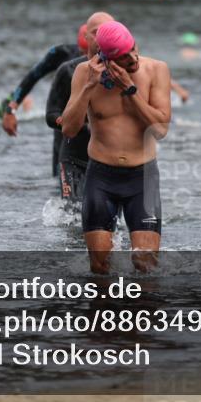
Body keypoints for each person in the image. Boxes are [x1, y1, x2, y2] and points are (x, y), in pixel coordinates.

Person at [61, 21, 172, 274]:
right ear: (107, 59)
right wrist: (89, 86)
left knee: (145, 264)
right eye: (124, 57)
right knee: (100, 266)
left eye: (134, 49)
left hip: (142, 178)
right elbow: (68, 129)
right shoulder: (83, 73)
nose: (133, 58)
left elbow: (160, 130)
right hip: (101, 178)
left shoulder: (157, 69)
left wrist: (129, 90)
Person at [45, 13, 114, 210]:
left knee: (108, 218)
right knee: (73, 216)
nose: (101, 37)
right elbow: (50, 114)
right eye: (96, 32)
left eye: (107, 32)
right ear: (86, 37)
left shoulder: (123, 72)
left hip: (109, 159)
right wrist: (74, 123)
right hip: (73, 158)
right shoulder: (68, 70)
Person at [0, 25, 89, 175]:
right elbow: (33, 75)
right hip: (64, 128)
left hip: (97, 133)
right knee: (59, 180)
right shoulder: (62, 55)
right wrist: (11, 109)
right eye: (83, 52)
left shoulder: (114, 62)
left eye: (92, 53)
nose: (87, 58)